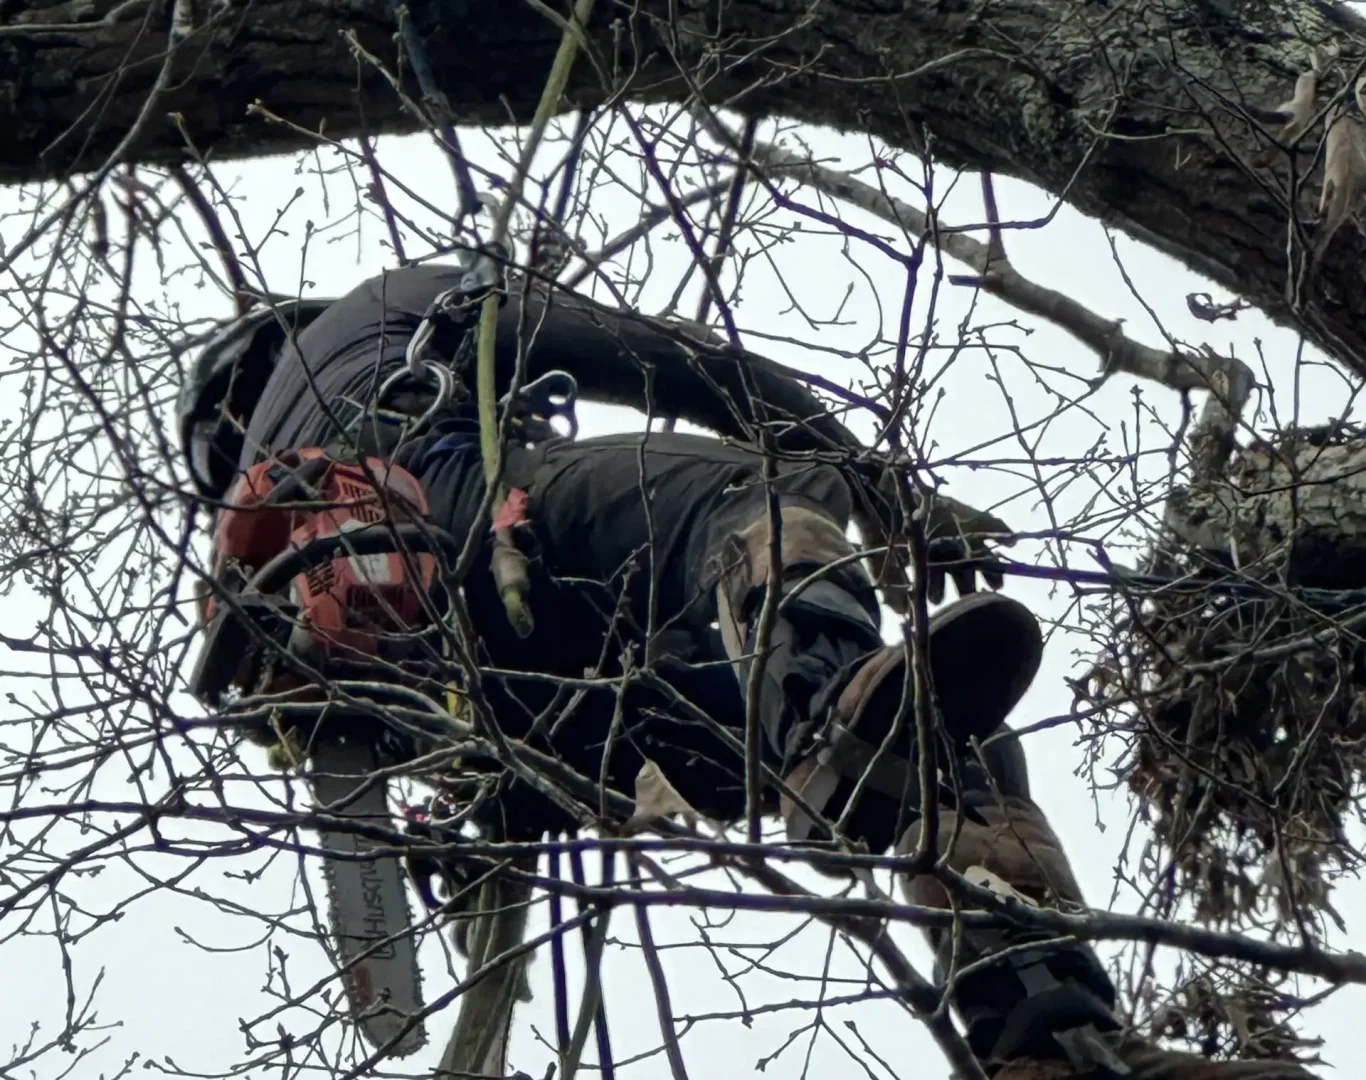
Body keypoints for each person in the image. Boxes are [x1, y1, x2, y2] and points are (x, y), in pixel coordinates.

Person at [181, 259, 1318, 1080]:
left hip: (544, 719)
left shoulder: (278, 583)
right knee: (758, 496)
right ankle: (843, 736)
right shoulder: (385, 314)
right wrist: (879, 486)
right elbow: (664, 360)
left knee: (932, 716)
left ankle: (1050, 1049)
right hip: (484, 513)